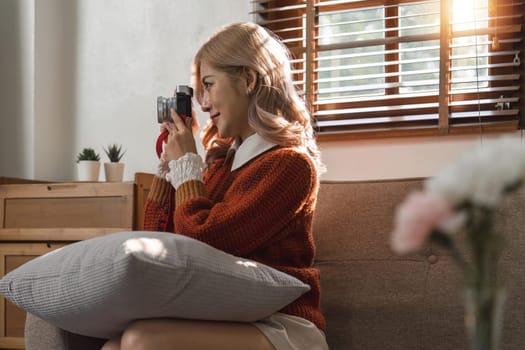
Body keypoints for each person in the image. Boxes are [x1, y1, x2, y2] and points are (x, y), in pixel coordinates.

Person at [102, 22, 328, 350]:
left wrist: (187, 168)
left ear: (248, 80)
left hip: (281, 322)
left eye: (209, 85)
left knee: (141, 341)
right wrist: (170, 168)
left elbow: (204, 240)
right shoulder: (220, 165)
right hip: (226, 316)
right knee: (113, 345)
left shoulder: (290, 166)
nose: (204, 104)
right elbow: (162, 240)